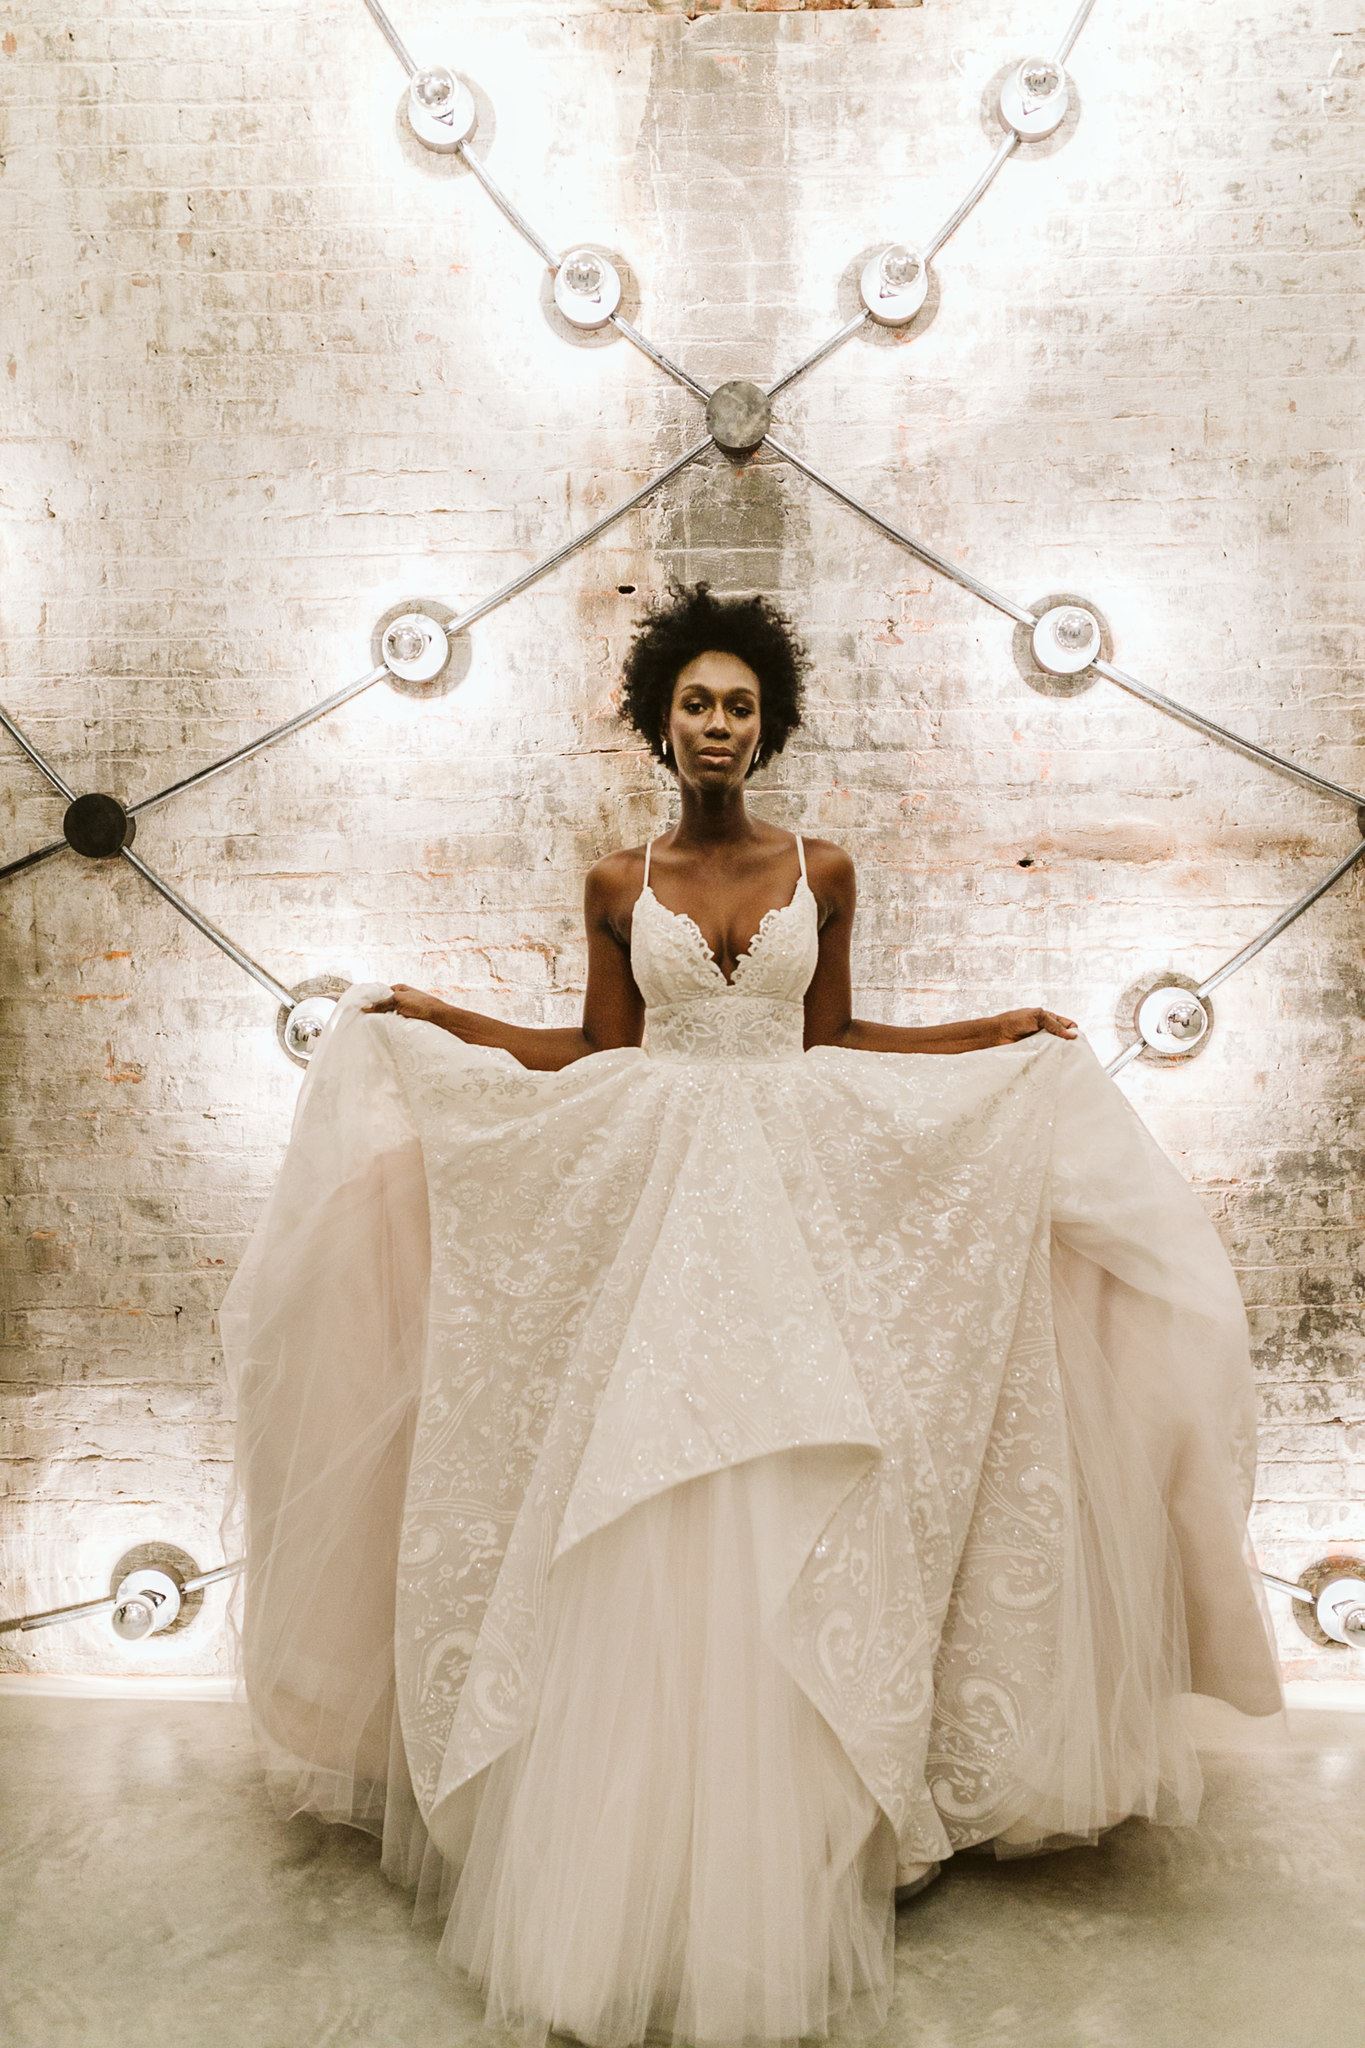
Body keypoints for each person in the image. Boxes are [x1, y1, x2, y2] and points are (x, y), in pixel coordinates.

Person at [217, 580, 1287, 2048]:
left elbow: (835, 1034)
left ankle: (813, 1814)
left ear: (762, 725)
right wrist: (439, 1022)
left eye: (736, 704)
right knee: (645, 1467)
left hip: (791, 1184)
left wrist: (995, 1033)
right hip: (658, 1187)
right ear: (658, 728)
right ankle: (631, 1818)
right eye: (691, 705)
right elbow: (590, 1049)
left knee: (802, 1468)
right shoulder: (615, 878)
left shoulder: (821, 863)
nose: (714, 724)